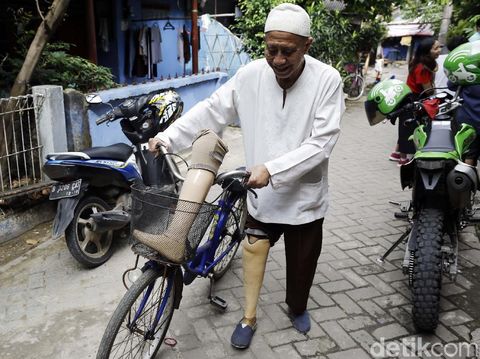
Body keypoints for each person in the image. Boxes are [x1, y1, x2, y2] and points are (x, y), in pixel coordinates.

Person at [146, 3, 344, 350]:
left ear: (307, 46)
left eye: (288, 51)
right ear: (264, 44)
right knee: (253, 252)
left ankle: (297, 307)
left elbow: (322, 143)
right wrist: (168, 137)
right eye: (272, 50)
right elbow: (212, 110)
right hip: (260, 193)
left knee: (302, 267)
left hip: (304, 196)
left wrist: (273, 169)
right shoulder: (250, 75)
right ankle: (248, 316)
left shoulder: (327, 79)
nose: (279, 60)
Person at [397, 37, 441, 165]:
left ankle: (398, 154)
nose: (439, 50)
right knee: (409, 128)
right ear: (427, 51)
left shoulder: (419, 62)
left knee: (406, 127)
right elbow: (428, 90)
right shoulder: (422, 68)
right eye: (436, 48)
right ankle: (403, 159)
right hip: (413, 99)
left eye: (439, 47)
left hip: (411, 98)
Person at [444, 41, 480, 166]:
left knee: (469, 155)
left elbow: (451, 85)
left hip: (467, 121)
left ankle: (467, 182)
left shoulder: (466, 78)